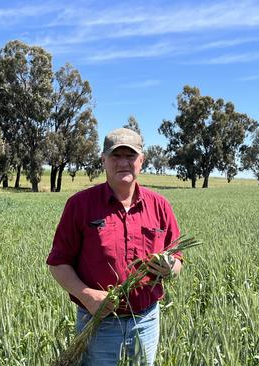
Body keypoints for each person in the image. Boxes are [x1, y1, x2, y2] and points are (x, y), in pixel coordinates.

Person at [47, 127, 182, 365]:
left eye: (130, 156)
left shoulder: (160, 206)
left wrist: (171, 267)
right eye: (115, 156)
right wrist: (87, 295)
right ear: (103, 160)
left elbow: (177, 257)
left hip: (146, 322)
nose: (123, 163)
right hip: (99, 324)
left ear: (141, 160)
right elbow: (58, 263)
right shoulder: (80, 205)